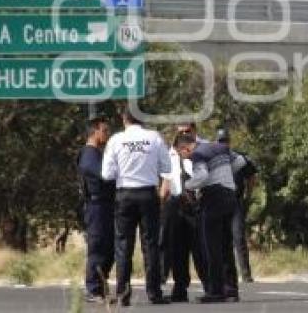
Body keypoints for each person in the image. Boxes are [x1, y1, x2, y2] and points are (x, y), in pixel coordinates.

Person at [101, 108, 172, 306]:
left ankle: (123, 294)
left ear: (124, 119)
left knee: (123, 246)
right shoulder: (154, 137)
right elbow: (167, 167)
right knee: (150, 245)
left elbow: (107, 174)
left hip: (125, 195)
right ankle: (154, 293)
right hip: (148, 194)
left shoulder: (115, 140)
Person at [185, 132, 248, 303]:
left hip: (213, 197)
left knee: (210, 247)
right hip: (230, 196)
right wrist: (226, 173)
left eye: (182, 154)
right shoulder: (220, 147)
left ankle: (215, 291)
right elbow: (241, 161)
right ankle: (231, 290)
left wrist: (188, 185)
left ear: (186, 148)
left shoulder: (198, 154)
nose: (186, 158)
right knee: (226, 245)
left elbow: (202, 176)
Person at [159, 123, 209, 302]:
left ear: (195, 132)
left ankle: (210, 287)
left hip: (196, 205)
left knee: (200, 249)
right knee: (177, 250)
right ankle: (180, 288)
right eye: (181, 132)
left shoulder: (202, 151)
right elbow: (166, 181)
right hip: (175, 205)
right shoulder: (171, 154)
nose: (185, 134)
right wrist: (161, 204)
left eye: (188, 132)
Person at [77, 115, 115, 303]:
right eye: (104, 130)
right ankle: (92, 289)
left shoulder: (99, 153)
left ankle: (101, 287)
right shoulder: (89, 154)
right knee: (98, 246)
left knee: (109, 248)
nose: (107, 134)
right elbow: (102, 175)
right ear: (94, 132)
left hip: (106, 205)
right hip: (96, 205)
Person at [217, 128, 258, 283]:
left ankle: (246, 274)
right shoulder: (214, 160)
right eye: (221, 142)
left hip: (235, 202)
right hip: (219, 203)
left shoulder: (239, 159)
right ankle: (224, 274)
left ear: (229, 142)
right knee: (221, 239)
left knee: (238, 238)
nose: (223, 144)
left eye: (225, 141)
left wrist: (248, 195)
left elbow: (252, 176)